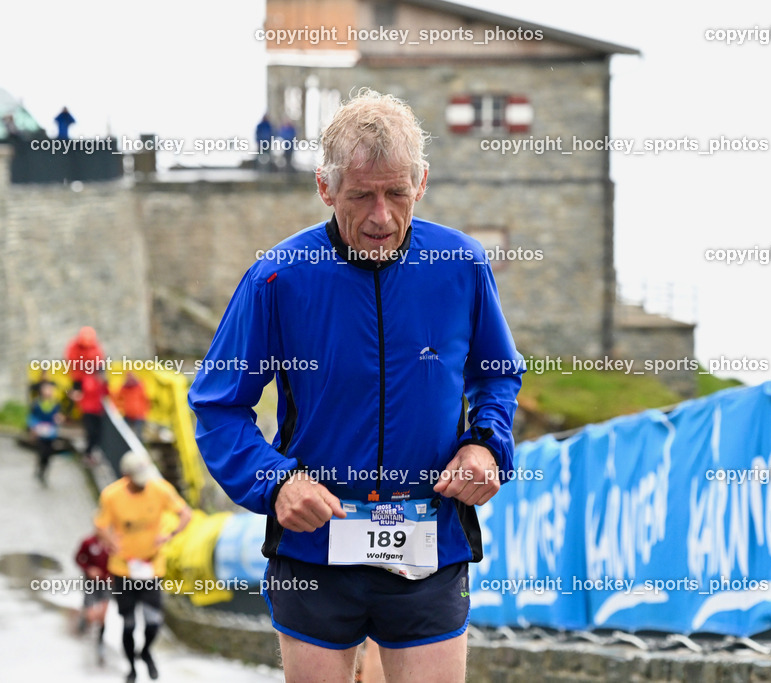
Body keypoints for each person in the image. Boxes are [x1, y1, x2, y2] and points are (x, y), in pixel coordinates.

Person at [189, 88, 523, 682]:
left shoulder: (461, 265)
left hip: (430, 542)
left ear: (420, 183)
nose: (381, 218)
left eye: (397, 193)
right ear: (325, 187)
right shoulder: (277, 278)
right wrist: (276, 482)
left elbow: (495, 374)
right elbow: (219, 407)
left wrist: (486, 444)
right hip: (314, 549)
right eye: (360, 196)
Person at [94, 451, 192, 683]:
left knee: (153, 622)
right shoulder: (111, 495)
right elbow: (100, 525)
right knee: (128, 625)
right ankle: (131, 668)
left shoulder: (160, 489)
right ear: (125, 476)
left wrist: (169, 535)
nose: (142, 484)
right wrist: (111, 542)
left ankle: (146, 651)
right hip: (123, 569)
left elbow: (185, 514)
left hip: (151, 567)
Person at [75, 533, 113, 664]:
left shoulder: (114, 543)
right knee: (91, 616)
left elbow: (121, 561)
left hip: (106, 584)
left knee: (103, 615)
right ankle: (84, 618)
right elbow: (78, 558)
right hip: (91, 584)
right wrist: (89, 569)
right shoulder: (88, 542)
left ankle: (100, 642)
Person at [28, 379, 63, 485]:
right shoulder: (37, 404)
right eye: (46, 389)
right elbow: (32, 417)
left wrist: (58, 419)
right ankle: (40, 469)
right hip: (40, 432)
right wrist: (34, 427)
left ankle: (43, 471)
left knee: (49, 453)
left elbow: (56, 417)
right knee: (42, 452)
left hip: (51, 433)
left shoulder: (55, 404)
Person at [115, 374, 150, 440]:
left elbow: (146, 400)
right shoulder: (124, 388)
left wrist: (145, 411)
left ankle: (139, 448)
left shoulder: (139, 386)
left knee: (138, 434)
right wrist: (119, 408)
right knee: (125, 433)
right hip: (128, 414)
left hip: (139, 414)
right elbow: (117, 398)